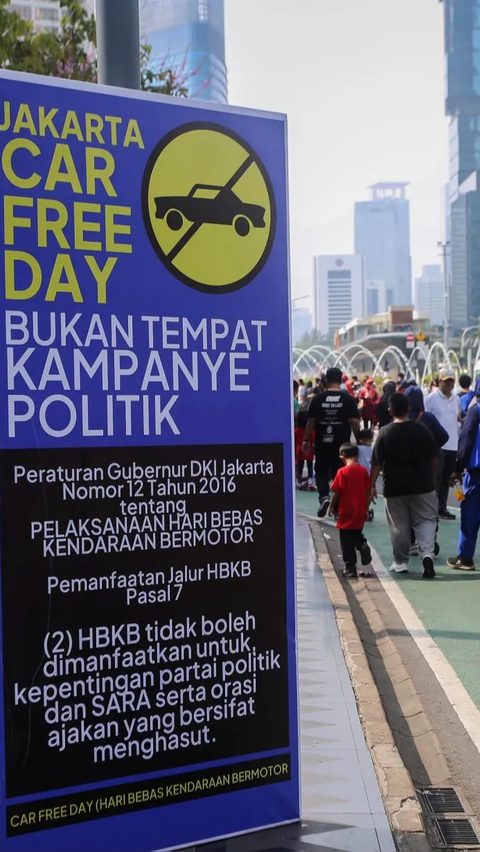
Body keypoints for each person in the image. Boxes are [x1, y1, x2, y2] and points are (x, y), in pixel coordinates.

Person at [371, 392, 438, 578]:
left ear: (390, 410)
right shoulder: (422, 429)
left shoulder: (385, 432)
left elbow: (376, 462)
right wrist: (432, 479)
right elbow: (434, 456)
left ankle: (400, 562)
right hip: (423, 484)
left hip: (394, 486)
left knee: (398, 524)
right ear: (408, 408)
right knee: (426, 520)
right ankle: (426, 553)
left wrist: (371, 486)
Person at [303, 367, 361, 518]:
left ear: (326, 380)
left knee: (321, 472)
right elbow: (354, 421)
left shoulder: (318, 399)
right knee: (339, 473)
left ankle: (324, 497)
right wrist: (359, 440)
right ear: (341, 379)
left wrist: (306, 439)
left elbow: (311, 422)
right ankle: (336, 508)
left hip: (322, 442)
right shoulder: (347, 398)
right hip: (342, 445)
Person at [448, 377, 480, 570]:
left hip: (477, 473)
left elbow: (467, 440)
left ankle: (466, 557)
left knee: (470, 514)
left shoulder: (476, 411)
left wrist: (458, 468)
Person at [329, 443, 372, 578]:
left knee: (346, 541)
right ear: (358, 456)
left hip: (346, 510)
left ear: (342, 457)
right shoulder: (363, 471)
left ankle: (350, 568)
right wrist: (366, 508)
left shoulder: (342, 472)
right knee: (356, 533)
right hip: (360, 510)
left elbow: (336, 492)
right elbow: (367, 491)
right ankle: (362, 544)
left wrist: (331, 506)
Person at [425, 368, 461, 519]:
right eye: (446, 381)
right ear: (439, 382)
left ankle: (442, 508)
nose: (449, 385)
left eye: (451, 381)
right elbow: (425, 421)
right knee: (435, 479)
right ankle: (431, 509)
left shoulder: (457, 399)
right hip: (437, 445)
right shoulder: (430, 399)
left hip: (453, 445)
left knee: (447, 479)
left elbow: (457, 420)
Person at [295, 409, 316, 491]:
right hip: (308, 448)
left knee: (300, 467)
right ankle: (310, 482)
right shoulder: (310, 430)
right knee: (310, 466)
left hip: (299, 449)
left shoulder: (296, 430)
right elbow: (313, 438)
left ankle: (298, 482)